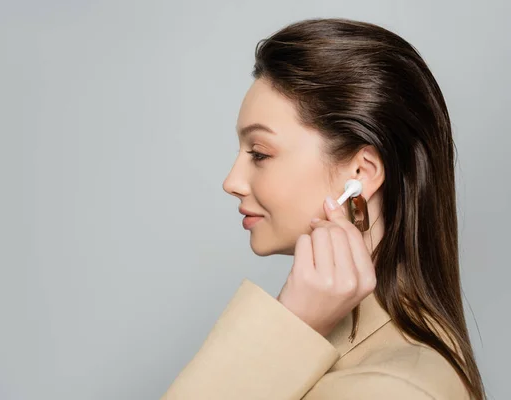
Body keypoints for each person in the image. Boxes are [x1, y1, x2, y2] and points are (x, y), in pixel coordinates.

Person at [161, 18, 485, 400]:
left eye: (260, 153)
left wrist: (286, 327)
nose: (232, 181)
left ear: (361, 173)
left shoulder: (390, 388)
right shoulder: (356, 354)